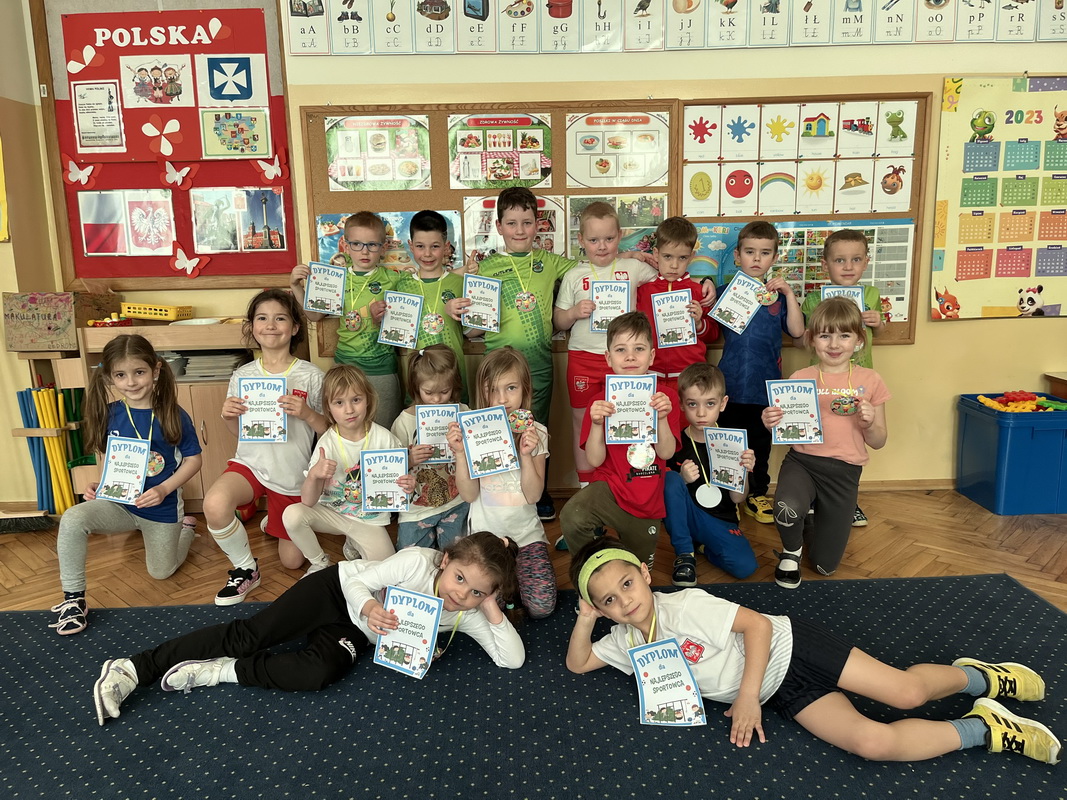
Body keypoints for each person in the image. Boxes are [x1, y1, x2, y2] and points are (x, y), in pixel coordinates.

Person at [566, 539, 1061, 765]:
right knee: (872, 743)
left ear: (645, 574)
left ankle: (979, 677)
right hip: (783, 692)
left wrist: (747, 697)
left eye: (627, 584)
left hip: (794, 648)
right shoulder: (625, 640)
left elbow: (758, 625)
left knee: (907, 693)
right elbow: (579, 663)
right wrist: (586, 619)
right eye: (608, 600)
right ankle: (987, 728)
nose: (624, 601)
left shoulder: (686, 606)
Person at [92, 532, 525, 726]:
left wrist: (490, 607)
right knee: (250, 636)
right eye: (459, 578)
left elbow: (512, 659)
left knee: (319, 672)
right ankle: (132, 668)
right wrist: (371, 606)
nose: (460, 593)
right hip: (337, 590)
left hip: (355, 632)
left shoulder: (468, 612)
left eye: (476, 591)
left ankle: (219, 671)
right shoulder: (416, 562)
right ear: (445, 561)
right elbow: (359, 582)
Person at [445, 189, 651, 522]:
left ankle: (538, 495)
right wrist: (456, 306)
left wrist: (628, 255)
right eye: (512, 223)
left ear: (538, 225)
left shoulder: (552, 262)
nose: (520, 230)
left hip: (538, 365)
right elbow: (470, 330)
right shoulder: (485, 267)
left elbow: (595, 262)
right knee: (494, 427)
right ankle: (491, 494)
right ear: (498, 226)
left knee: (535, 430)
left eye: (527, 222)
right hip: (496, 366)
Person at [51, 335, 203, 635]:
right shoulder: (109, 413)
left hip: (161, 509)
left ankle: (185, 529)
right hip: (119, 505)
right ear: (110, 377)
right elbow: (113, 458)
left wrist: (164, 489)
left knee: (161, 572)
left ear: (155, 370)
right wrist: (99, 484)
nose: (131, 382)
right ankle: (73, 599)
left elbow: (193, 460)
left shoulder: (173, 413)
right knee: (72, 518)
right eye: (121, 375)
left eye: (139, 372)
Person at [204, 289, 328, 605]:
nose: (270, 325)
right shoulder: (242, 375)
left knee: (292, 561)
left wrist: (307, 414)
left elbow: (329, 431)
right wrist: (228, 416)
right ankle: (246, 568)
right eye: (262, 318)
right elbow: (238, 433)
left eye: (280, 318)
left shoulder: (311, 375)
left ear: (295, 327)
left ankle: (274, 518)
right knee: (215, 504)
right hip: (251, 464)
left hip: (292, 474)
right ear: (252, 327)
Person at [762, 297, 889, 589]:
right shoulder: (800, 377)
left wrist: (869, 423)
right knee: (786, 508)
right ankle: (792, 551)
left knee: (824, 566)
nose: (834, 344)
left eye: (844, 335)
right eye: (824, 335)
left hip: (844, 472)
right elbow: (784, 428)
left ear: (859, 340)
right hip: (803, 463)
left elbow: (879, 441)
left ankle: (811, 516)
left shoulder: (871, 380)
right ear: (811, 339)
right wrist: (770, 421)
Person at [558, 311, 681, 569]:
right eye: (621, 349)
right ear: (608, 357)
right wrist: (596, 424)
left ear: (651, 356)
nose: (630, 356)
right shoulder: (599, 402)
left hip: (646, 495)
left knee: (637, 571)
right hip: (609, 489)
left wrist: (661, 419)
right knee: (573, 515)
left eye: (639, 349)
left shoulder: (665, 398)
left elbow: (667, 453)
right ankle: (590, 567)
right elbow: (594, 460)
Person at [553, 201, 658, 488]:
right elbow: (559, 320)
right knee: (583, 422)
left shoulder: (633, 267)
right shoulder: (574, 275)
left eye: (609, 239)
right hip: (583, 359)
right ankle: (587, 485)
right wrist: (574, 312)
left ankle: (625, 482)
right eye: (593, 240)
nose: (602, 246)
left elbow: (668, 276)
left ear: (620, 235)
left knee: (628, 418)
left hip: (625, 359)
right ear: (580, 240)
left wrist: (705, 284)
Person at [446, 347, 556, 619]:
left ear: (525, 389)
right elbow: (469, 495)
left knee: (542, 607)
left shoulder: (537, 433)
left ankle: (514, 581)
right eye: (492, 390)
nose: (502, 399)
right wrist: (460, 454)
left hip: (526, 537)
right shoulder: (473, 432)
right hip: (484, 542)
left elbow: (533, 495)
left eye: (511, 388)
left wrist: (526, 455)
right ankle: (509, 584)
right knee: (480, 608)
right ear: (482, 391)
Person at [283, 365, 413, 576]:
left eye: (356, 400)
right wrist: (315, 475)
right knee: (292, 515)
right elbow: (307, 501)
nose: (349, 410)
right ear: (328, 407)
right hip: (332, 514)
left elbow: (400, 486)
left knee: (386, 575)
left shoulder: (385, 439)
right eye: (339, 403)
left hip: (369, 521)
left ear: (368, 399)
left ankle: (353, 543)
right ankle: (319, 561)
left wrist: (407, 485)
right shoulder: (327, 443)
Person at [716, 221, 805, 525]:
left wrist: (789, 294)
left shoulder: (778, 298)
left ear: (774, 258)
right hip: (729, 385)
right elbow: (704, 327)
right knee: (728, 443)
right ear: (737, 255)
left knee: (760, 444)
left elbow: (797, 331)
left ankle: (757, 493)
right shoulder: (724, 292)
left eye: (765, 253)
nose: (756, 258)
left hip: (765, 387)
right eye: (749, 252)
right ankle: (727, 495)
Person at [799, 229, 884, 528]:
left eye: (856, 260)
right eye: (839, 260)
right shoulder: (813, 299)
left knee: (853, 439)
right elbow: (802, 338)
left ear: (866, 262)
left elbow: (878, 331)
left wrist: (878, 322)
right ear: (826, 265)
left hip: (858, 380)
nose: (848, 267)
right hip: (822, 381)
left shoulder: (871, 295)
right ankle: (814, 495)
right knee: (821, 435)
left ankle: (849, 500)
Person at [290, 211, 402, 427]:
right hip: (345, 366)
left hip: (381, 368)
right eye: (357, 244)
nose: (365, 251)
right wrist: (296, 286)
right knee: (345, 430)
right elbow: (314, 315)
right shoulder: (334, 279)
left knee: (385, 431)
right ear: (346, 246)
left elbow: (406, 321)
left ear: (383, 247)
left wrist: (384, 318)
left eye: (372, 245)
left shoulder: (394, 279)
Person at [665, 363, 757, 586]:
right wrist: (682, 478)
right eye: (692, 404)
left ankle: (703, 547)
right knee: (670, 479)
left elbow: (738, 498)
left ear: (722, 403)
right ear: (681, 404)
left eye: (710, 403)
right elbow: (668, 495)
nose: (701, 413)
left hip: (720, 519)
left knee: (745, 567)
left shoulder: (734, 444)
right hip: (687, 516)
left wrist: (744, 472)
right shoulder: (675, 443)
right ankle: (685, 555)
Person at [391, 346, 470, 550]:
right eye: (428, 393)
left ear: (454, 386)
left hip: (456, 503)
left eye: (444, 392)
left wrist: (463, 446)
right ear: (416, 387)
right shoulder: (404, 422)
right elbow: (390, 469)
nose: (436, 399)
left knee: (458, 555)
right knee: (409, 559)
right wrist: (409, 459)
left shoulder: (463, 412)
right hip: (416, 509)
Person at [635, 216, 719, 396]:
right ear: (656, 254)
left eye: (682, 258)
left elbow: (713, 334)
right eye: (667, 257)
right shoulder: (642, 291)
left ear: (691, 257)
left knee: (687, 415)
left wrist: (699, 324)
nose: (674, 265)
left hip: (689, 375)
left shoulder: (699, 292)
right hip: (651, 374)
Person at [393, 210, 469, 405]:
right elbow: (395, 334)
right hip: (419, 381)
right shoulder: (402, 286)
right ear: (411, 246)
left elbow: (473, 331)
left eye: (434, 246)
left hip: (452, 380)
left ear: (446, 247)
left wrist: (460, 314)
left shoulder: (460, 283)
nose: (427, 254)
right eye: (420, 246)